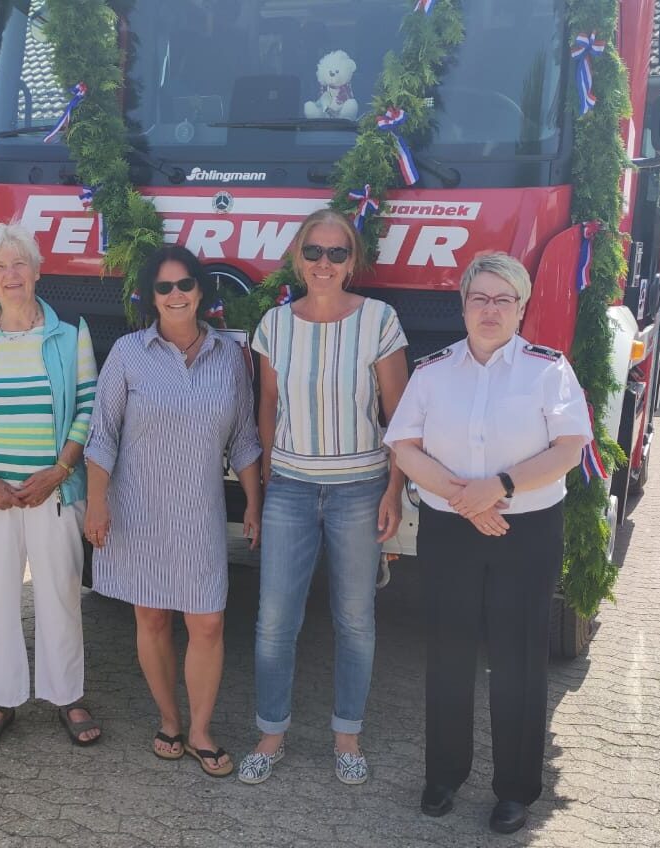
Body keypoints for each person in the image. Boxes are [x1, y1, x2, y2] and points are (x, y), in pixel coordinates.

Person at [383, 252, 592, 834]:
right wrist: (464, 499)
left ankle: (516, 790)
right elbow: (404, 446)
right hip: (453, 528)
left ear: (522, 307)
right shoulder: (433, 371)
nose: (491, 309)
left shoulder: (548, 371)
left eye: (504, 299)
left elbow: (568, 449)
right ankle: (444, 776)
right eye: (481, 298)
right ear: (464, 305)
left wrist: (495, 488)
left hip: (525, 531)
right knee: (448, 652)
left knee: (518, 659)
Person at [238, 209, 409, 786]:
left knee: (355, 619)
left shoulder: (380, 321)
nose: (324, 264)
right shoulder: (274, 325)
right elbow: (266, 405)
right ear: (297, 257)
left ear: (352, 261)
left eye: (337, 254)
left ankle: (347, 736)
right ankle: (271, 733)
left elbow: (400, 417)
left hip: (359, 491)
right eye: (314, 252)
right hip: (288, 487)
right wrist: (260, 489)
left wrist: (395, 489)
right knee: (273, 621)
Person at [84, 244, 261, 778]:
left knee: (207, 621)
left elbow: (247, 438)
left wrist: (254, 501)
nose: (176, 295)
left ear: (201, 290)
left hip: (201, 510)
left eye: (184, 284)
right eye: (164, 287)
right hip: (135, 507)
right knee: (152, 617)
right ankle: (170, 721)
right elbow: (102, 434)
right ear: (149, 297)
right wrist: (96, 503)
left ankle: (202, 730)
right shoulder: (127, 352)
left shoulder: (230, 357)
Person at [0, 222, 100, 748]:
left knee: (59, 593)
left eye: (19, 264)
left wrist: (59, 470)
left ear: (36, 271)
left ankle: (67, 697)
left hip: (53, 491)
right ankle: (3, 699)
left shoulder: (69, 329)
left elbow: (87, 404)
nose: (11, 275)